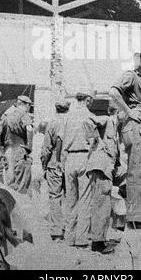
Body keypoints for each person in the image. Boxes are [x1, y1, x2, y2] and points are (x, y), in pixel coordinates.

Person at [109, 46, 141, 230]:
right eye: (138, 55)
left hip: (140, 127)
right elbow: (113, 92)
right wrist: (129, 112)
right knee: (139, 171)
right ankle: (136, 219)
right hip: (135, 127)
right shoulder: (130, 75)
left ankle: (137, 216)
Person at [60, 91, 98, 248]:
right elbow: (94, 140)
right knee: (84, 199)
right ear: (88, 100)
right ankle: (81, 238)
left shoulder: (68, 116)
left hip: (69, 157)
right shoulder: (90, 116)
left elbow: (62, 139)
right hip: (83, 156)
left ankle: (69, 237)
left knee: (70, 200)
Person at [86, 102, 120, 254]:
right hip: (100, 167)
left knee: (103, 205)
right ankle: (97, 243)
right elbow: (93, 121)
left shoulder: (115, 127)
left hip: (104, 168)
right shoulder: (108, 120)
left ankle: (98, 239)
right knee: (101, 206)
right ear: (117, 112)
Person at [0, 95, 34, 193]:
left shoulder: (6, 115)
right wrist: (29, 148)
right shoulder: (23, 114)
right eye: (29, 105)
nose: (29, 107)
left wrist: (0, 147)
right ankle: (20, 204)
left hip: (7, 149)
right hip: (20, 148)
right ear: (23, 104)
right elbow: (29, 129)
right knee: (21, 179)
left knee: (9, 176)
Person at [41, 100, 70, 241]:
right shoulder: (72, 122)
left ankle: (57, 231)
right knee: (71, 196)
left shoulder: (52, 124)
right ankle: (70, 229)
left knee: (55, 197)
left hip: (54, 163)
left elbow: (46, 148)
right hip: (70, 162)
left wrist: (44, 166)